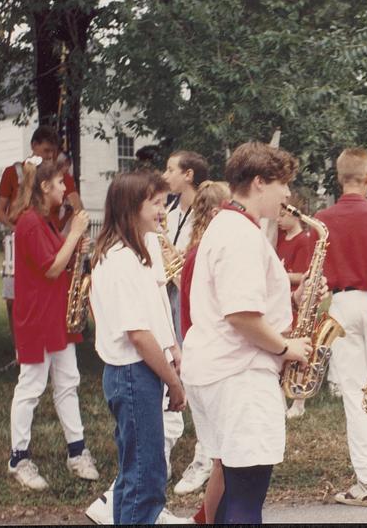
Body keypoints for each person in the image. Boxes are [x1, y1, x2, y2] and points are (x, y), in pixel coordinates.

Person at [180, 141, 314, 524]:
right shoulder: (240, 233)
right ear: (259, 182)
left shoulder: (227, 225)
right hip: (239, 376)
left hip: (219, 370)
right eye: (283, 184)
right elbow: (241, 314)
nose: (287, 194)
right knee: (247, 498)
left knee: (233, 493)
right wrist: (287, 346)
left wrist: (294, 295)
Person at [89, 170, 190, 524]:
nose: (163, 211)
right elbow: (137, 334)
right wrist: (174, 383)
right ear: (132, 207)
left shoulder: (145, 247)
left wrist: (173, 347)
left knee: (141, 471)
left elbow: (157, 305)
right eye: (157, 204)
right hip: (133, 372)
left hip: (145, 368)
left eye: (165, 203)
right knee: (145, 476)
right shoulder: (119, 259)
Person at [309, 147, 367, 506]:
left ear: (339, 177)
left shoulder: (323, 218)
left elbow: (319, 271)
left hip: (344, 303)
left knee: (356, 394)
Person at [6, 156, 99, 491]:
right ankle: (18, 457)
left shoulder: (44, 222)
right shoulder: (29, 223)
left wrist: (74, 243)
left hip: (55, 317)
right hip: (37, 319)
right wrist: (74, 234)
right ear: (45, 187)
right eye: (60, 183)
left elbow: (58, 260)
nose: (65, 187)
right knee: (31, 387)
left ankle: (77, 451)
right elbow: (50, 268)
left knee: (67, 383)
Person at [0, 126, 82, 363]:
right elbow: (51, 269)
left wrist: (69, 230)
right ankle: (18, 350)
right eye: (45, 151)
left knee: (67, 377)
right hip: (31, 245)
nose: (50, 156)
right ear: (33, 146)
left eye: (53, 152)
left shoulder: (43, 218)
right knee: (15, 295)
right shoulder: (30, 217)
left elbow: (76, 205)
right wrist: (16, 230)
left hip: (50, 238)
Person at [178, 180, 232, 524]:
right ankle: (205, 520)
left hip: (203, 355)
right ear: (216, 212)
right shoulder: (204, 254)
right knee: (224, 460)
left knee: (224, 459)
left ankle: (206, 517)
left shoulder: (198, 250)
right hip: (210, 359)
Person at [160, 149, 211, 495]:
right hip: (170, 300)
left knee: (199, 381)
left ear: (189, 175)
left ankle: (205, 457)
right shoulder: (168, 212)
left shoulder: (207, 216)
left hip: (196, 303)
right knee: (172, 377)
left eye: (170, 169)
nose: (165, 175)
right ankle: (161, 454)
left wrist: (180, 263)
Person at [275, 193, 313, 420]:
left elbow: (303, 275)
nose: (278, 220)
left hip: (297, 304)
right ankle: (280, 397)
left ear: (294, 214)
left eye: (282, 215)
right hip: (282, 303)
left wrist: (280, 276)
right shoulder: (281, 238)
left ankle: (299, 402)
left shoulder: (303, 240)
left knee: (298, 351)